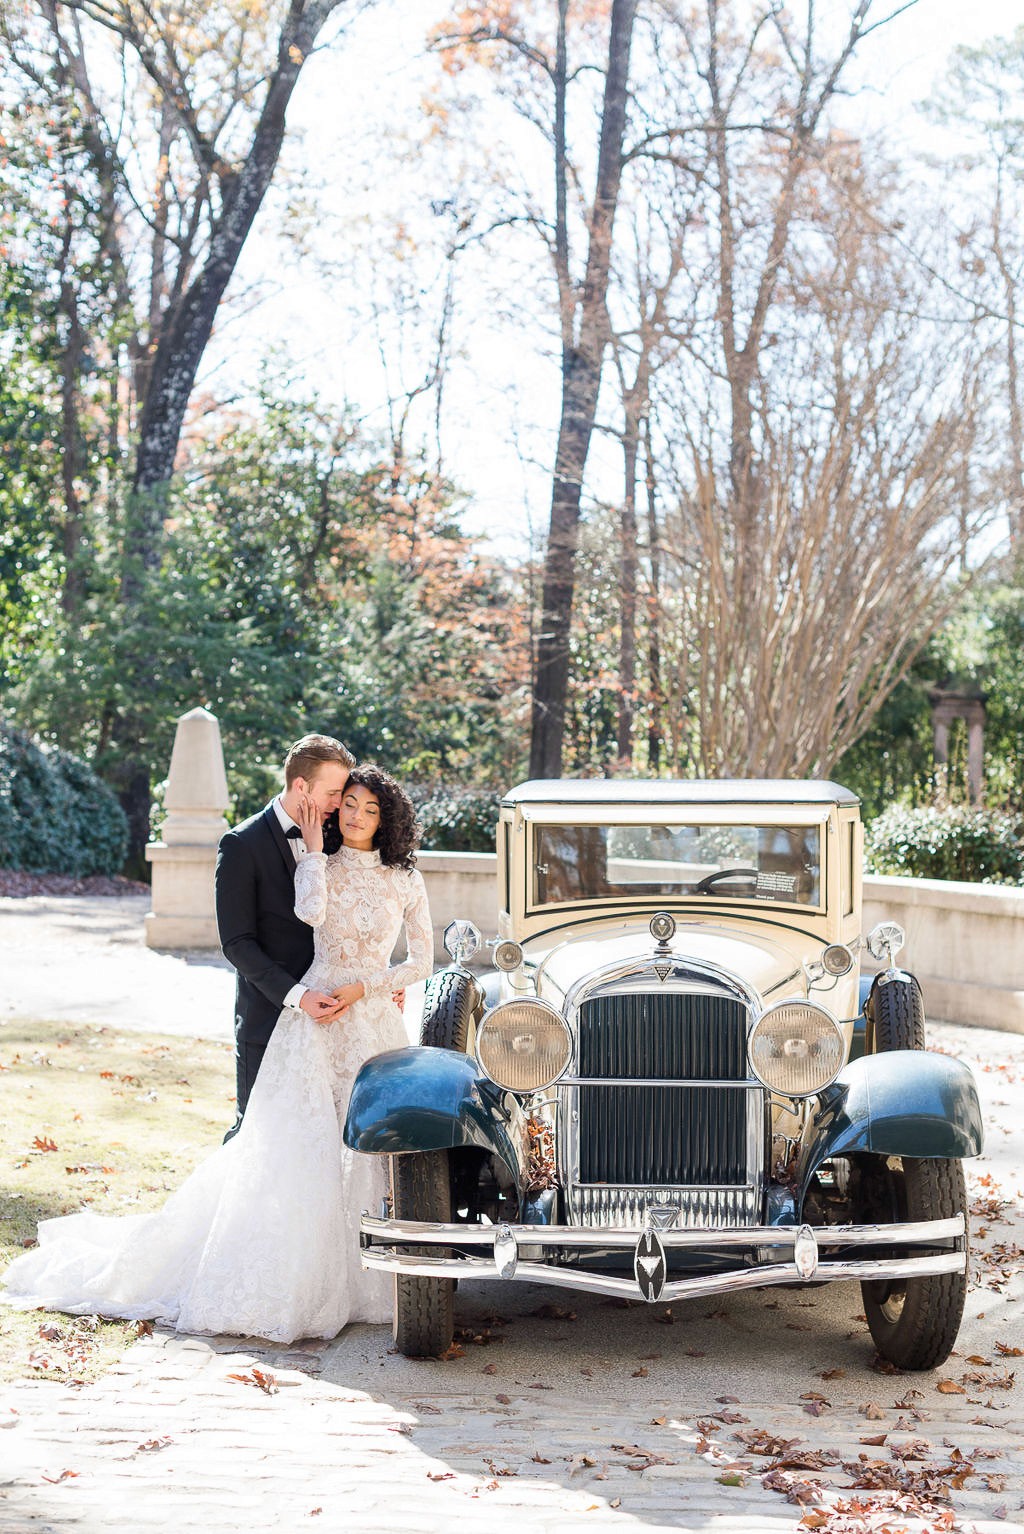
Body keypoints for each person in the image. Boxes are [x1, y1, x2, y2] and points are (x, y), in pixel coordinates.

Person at [2, 764, 433, 1343]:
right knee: (297, 1145)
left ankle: (374, 1279)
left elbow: (420, 962)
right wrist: (311, 854)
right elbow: (301, 919)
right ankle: (296, 1278)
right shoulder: (315, 860)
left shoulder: (406, 877)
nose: (352, 814)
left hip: (373, 1020)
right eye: (346, 802)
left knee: (374, 1148)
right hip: (311, 1017)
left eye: (368, 808)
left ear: (389, 819)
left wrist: (371, 985)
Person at [215, 733, 354, 1130]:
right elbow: (237, 944)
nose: (339, 803)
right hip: (268, 1017)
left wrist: (377, 977)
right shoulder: (241, 844)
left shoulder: (336, 837)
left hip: (331, 1021)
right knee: (256, 1136)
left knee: (318, 1138)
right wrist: (299, 996)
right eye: (333, 792)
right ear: (300, 787)